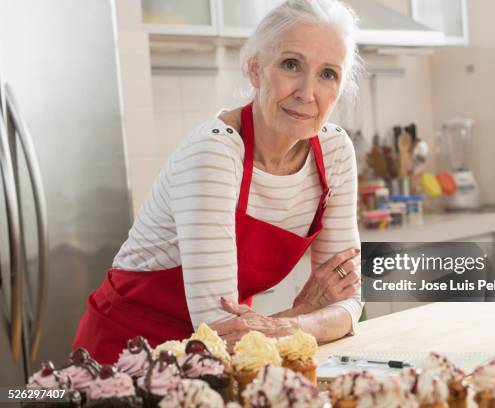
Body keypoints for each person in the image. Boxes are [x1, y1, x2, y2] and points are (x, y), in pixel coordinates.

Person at [73, 0, 364, 363]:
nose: (307, 93)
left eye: (328, 74)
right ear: (255, 69)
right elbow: (219, 334)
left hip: (220, 365)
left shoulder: (334, 152)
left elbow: (349, 302)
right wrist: (302, 314)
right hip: (126, 358)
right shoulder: (214, 154)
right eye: (291, 65)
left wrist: (285, 327)